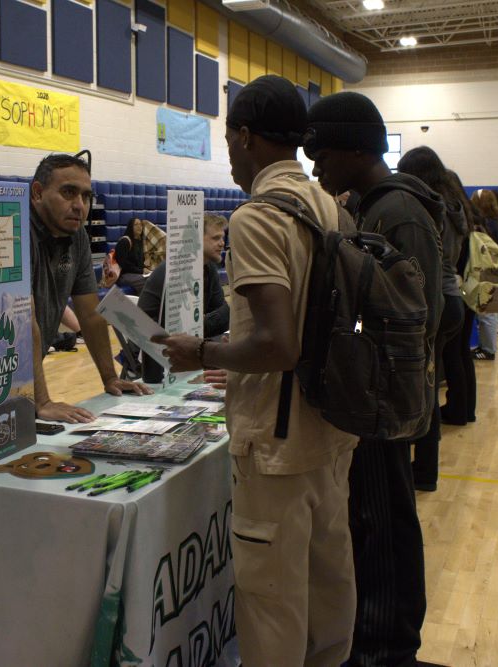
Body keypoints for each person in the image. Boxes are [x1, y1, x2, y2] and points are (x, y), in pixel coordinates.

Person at [157, 75, 358, 667]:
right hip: (329, 428)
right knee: (328, 583)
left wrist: (206, 353)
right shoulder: (331, 208)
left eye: (227, 141)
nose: (228, 157)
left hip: (276, 443)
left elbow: (277, 344)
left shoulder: (258, 217)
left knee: (272, 606)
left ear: (245, 137)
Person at [305, 90, 443, 667]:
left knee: (384, 528)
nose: (316, 167)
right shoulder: (379, 206)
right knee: (375, 522)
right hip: (379, 390)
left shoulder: (397, 212)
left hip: (385, 397)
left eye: (323, 154)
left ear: (354, 149)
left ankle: (387, 647)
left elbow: (415, 320)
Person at [0, 152, 151, 449]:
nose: (79, 205)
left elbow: (90, 314)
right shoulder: (7, 228)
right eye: (68, 192)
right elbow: (21, 322)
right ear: (37, 193)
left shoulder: (76, 236)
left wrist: (109, 378)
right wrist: (42, 401)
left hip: (9, 370)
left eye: (86, 195)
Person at [397, 147, 468, 491]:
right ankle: (427, 466)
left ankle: (424, 470)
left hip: (436, 301)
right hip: (453, 298)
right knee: (430, 383)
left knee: (424, 392)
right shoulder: (453, 205)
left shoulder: (425, 208)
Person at [137, 213, 230, 383]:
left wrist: (199, 324)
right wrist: (201, 325)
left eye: (222, 238)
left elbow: (225, 314)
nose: (222, 243)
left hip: (189, 346)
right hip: (153, 358)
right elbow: (166, 328)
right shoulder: (172, 271)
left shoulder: (209, 269)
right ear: (197, 240)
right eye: (216, 238)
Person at [438, 170, 479, 426]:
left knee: (452, 355)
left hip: (453, 288)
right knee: (462, 353)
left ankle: (456, 409)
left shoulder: (443, 215)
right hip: (469, 289)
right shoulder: (467, 216)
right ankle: (466, 409)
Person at [470, 189, 498, 360]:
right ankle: (488, 346)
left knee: (485, 310)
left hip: (484, 269)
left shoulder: (482, 225)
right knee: (492, 308)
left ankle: (488, 349)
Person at [114, 218, 148, 294]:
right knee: (148, 281)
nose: (139, 227)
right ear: (130, 227)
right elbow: (123, 264)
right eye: (136, 224)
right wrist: (141, 271)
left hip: (135, 274)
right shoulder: (125, 241)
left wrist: (145, 269)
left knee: (153, 277)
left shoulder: (140, 242)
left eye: (140, 224)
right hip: (123, 275)